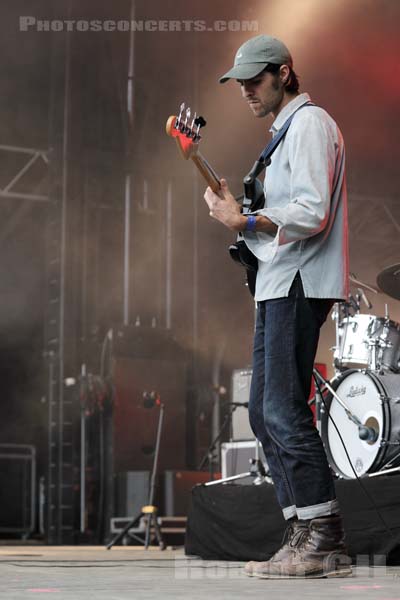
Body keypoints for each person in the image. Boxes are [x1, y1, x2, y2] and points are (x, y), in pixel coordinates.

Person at [203, 34, 351, 578]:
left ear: (284, 72)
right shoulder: (285, 132)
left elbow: (310, 212)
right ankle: (304, 531)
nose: (245, 89)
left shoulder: (311, 124)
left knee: (285, 411)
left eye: (254, 78)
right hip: (278, 282)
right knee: (266, 413)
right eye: (240, 81)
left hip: (298, 283)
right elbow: (284, 213)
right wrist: (241, 213)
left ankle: (324, 535)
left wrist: (243, 220)